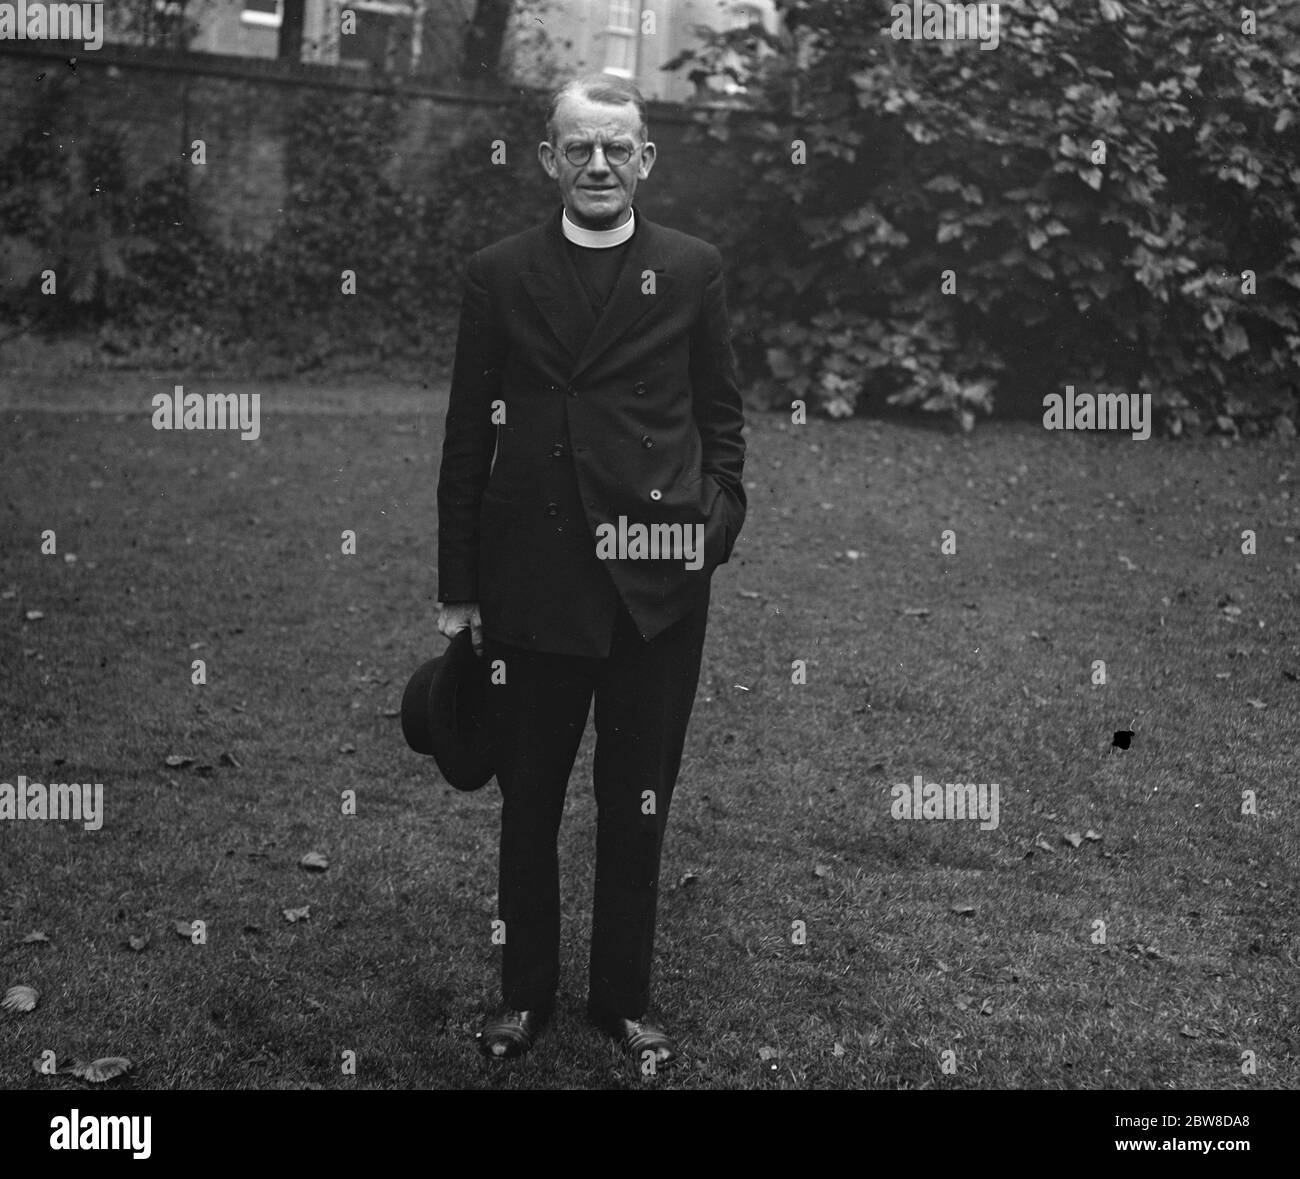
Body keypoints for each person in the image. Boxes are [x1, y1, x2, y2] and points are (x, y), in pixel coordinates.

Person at [435, 73, 747, 1065]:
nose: (599, 165)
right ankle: (522, 996)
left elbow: (723, 428)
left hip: (655, 587)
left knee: (636, 801)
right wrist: (458, 589)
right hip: (535, 582)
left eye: (617, 146)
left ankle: (623, 1000)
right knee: (528, 802)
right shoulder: (500, 272)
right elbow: (461, 444)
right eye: (579, 147)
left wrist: (709, 532)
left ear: (645, 159)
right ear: (548, 159)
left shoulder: (692, 269)